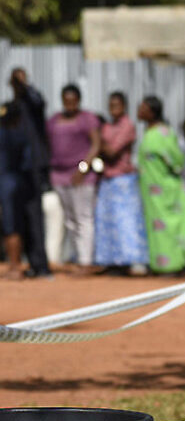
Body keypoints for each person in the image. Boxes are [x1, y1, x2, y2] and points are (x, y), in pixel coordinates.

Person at [137, 96, 185, 275]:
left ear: (152, 111)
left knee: (173, 226)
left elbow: (177, 160)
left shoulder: (164, 132)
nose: (138, 111)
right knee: (157, 228)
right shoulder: (149, 133)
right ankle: (162, 264)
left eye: (143, 108)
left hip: (167, 190)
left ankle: (179, 264)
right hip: (151, 191)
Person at [46, 84, 101, 275]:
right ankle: (77, 258)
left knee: (83, 218)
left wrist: (83, 168)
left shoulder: (87, 119)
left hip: (81, 176)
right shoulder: (53, 120)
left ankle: (86, 261)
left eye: (72, 101)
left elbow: (96, 145)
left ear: (78, 100)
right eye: (66, 100)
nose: (69, 104)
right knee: (69, 220)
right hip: (59, 175)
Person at [94, 92, 149, 274]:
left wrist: (96, 143)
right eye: (111, 105)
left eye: (117, 105)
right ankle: (111, 261)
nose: (113, 108)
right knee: (107, 221)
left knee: (125, 222)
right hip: (107, 179)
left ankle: (129, 260)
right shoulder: (107, 126)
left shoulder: (127, 126)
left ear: (124, 106)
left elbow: (111, 152)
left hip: (123, 180)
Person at [7, 68, 51, 277]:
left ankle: (40, 265)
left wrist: (25, 85)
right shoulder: (9, 109)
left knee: (34, 218)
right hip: (12, 172)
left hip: (33, 170)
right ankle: (26, 263)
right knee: (16, 218)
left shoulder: (33, 105)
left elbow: (38, 100)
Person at [0, 102, 32, 279]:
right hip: (14, 183)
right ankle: (15, 265)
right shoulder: (22, 136)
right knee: (13, 225)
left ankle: (15, 267)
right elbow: (27, 164)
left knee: (9, 226)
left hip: (6, 183)